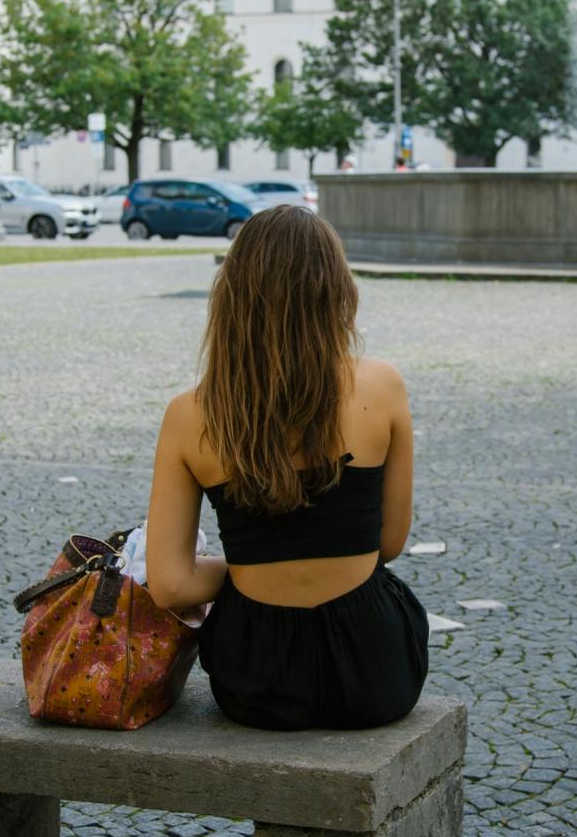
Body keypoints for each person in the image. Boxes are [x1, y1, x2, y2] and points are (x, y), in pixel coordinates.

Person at [144, 205, 428, 731]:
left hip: (257, 680)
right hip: (375, 672)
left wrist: (252, 564)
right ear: (337, 290)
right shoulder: (383, 386)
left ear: (232, 296)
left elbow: (171, 585)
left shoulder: (190, 414)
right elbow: (387, 543)